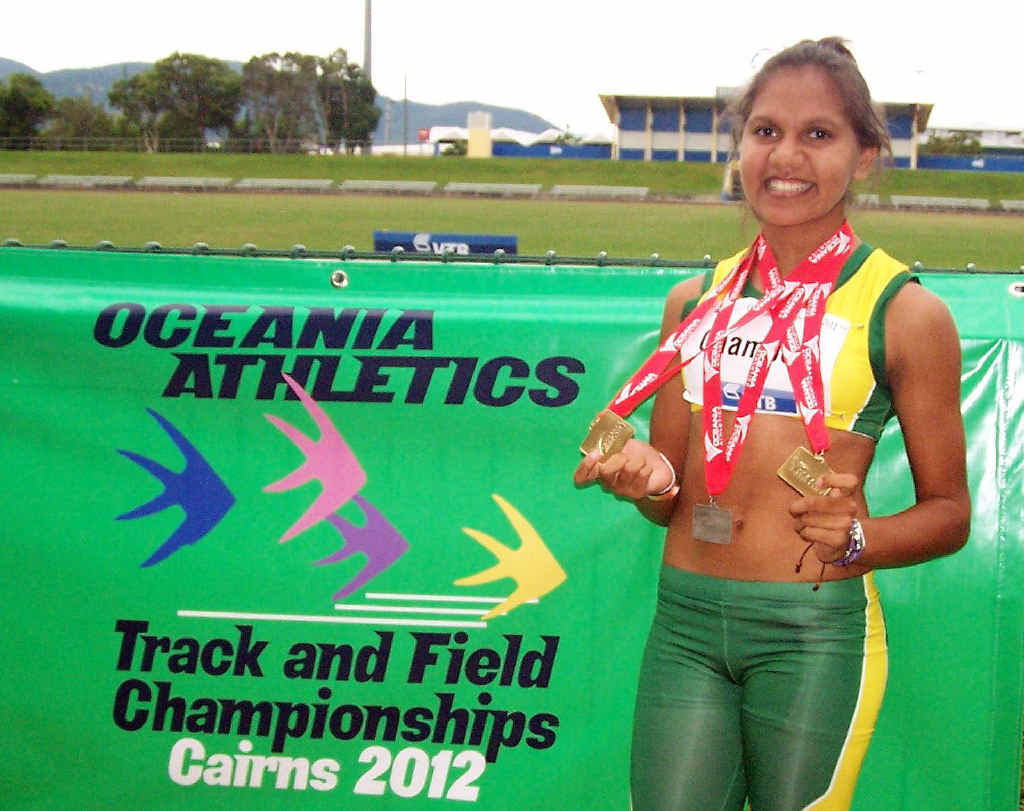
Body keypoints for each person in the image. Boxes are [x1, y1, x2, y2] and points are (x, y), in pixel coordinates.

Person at [573, 37, 971, 811]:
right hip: (684, 625)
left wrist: (862, 537)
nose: (786, 154)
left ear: (864, 156)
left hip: (812, 633)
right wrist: (645, 479)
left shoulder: (906, 312)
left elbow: (950, 514)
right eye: (765, 131)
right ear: (740, 148)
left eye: (818, 133)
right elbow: (670, 498)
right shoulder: (694, 305)